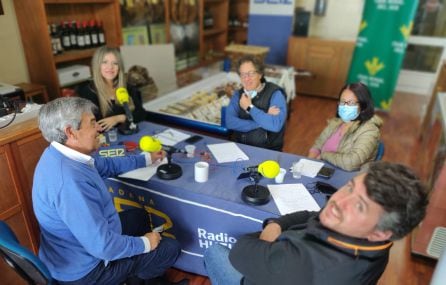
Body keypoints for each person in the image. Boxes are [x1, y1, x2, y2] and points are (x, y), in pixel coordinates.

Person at [33, 97, 186, 285]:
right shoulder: (69, 183)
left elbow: (106, 165)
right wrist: (146, 243)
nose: (98, 128)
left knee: (138, 216)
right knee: (169, 248)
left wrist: (146, 159)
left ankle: (145, 280)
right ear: (71, 132)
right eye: (92, 123)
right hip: (86, 272)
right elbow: (103, 246)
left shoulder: (60, 154)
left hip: (74, 250)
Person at [204, 161, 429, 285]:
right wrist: (277, 224)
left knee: (215, 251)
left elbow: (241, 251)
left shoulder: (302, 263)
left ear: (381, 233)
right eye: (349, 187)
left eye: (360, 205)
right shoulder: (373, 243)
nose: (338, 201)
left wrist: (267, 236)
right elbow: (313, 214)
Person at [308, 82, 383, 171]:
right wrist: (308, 163)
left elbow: (351, 163)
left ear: (363, 106)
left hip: (349, 179)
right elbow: (317, 146)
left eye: (351, 103)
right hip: (323, 171)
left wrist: (325, 155)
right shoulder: (336, 122)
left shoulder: (369, 130)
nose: (345, 106)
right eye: (342, 102)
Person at [77, 46, 147, 132]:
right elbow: (90, 125)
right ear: (97, 65)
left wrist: (119, 118)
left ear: (119, 67)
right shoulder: (88, 92)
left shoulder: (127, 87)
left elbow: (142, 114)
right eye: (105, 62)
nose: (110, 67)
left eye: (115, 63)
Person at [225, 55, 287, 151]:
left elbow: (275, 125)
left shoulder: (275, 94)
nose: (247, 78)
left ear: (260, 74)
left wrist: (249, 107)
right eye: (243, 74)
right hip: (239, 149)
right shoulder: (238, 94)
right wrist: (262, 121)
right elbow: (229, 122)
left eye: (251, 73)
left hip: (267, 152)